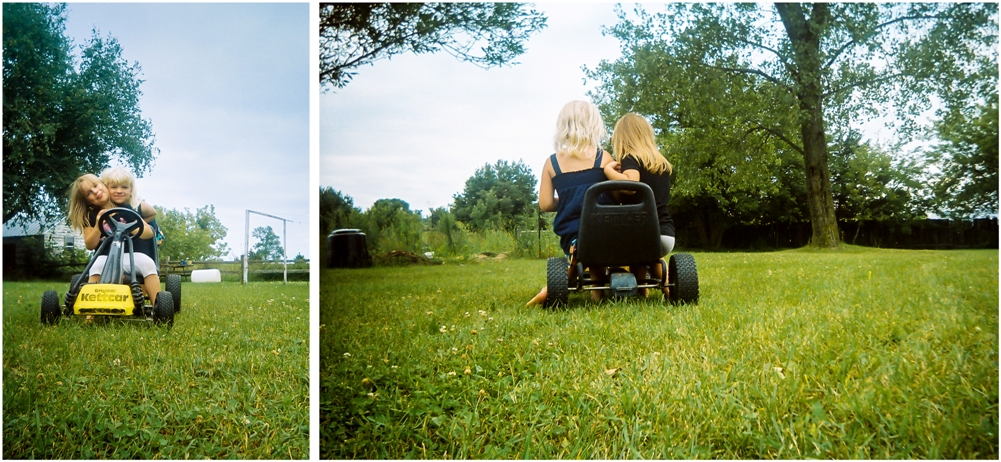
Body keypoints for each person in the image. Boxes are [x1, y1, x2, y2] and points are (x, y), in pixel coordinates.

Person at [527, 100, 613, 305]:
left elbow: (546, 204)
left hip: (574, 236)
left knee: (581, 244)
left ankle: (561, 284)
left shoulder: (552, 162)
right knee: (598, 234)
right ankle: (597, 292)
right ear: (594, 125)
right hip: (607, 231)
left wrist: (568, 201)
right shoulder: (604, 158)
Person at [602, 113, 675, 297]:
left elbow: (631, 186)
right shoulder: (661, 163)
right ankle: (655, 291)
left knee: (636, 249)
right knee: (647, 256)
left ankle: (657, 290)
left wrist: (608, 170)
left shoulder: (630, 158)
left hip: (642, 235)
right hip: (665, 234)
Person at [67, 173, 162, 305]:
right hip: (106, 257)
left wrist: (131, 224)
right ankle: (90, 311)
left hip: (132, 256)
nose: (95, 192)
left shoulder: (127, 208)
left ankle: (158, 307)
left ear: (104, 185)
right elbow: (90, 245)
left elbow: (148, 233)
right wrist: (98, 223)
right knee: (96, 266)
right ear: (87, 200)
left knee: (147, 264)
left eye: (96, 186)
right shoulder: (91, 216)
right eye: (89, 193)